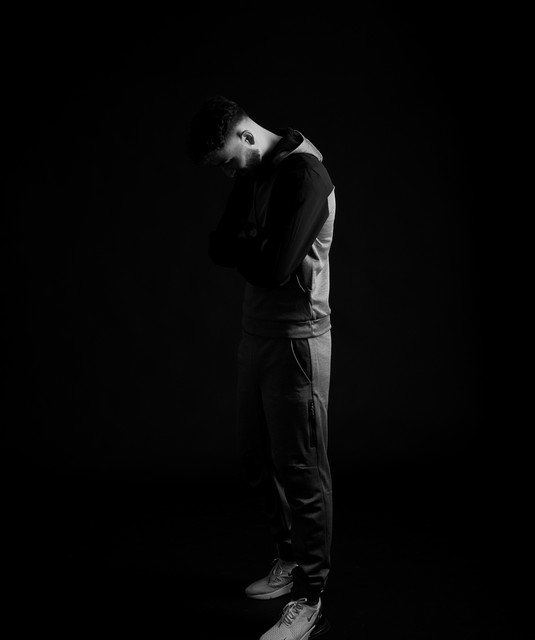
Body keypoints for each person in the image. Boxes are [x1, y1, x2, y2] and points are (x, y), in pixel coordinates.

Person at [187, 95, 336, 640]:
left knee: (302, 470)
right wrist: (256, 244)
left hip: (298, 340)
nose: (229, 174)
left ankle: (311, 598)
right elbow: (218, 246)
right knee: (256, 457)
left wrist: (249, 245)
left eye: (228, 161)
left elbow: (273, 269)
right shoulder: (253, 172)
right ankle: (288, 559)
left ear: (247, 136)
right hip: (256, 335)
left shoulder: (306, 175)